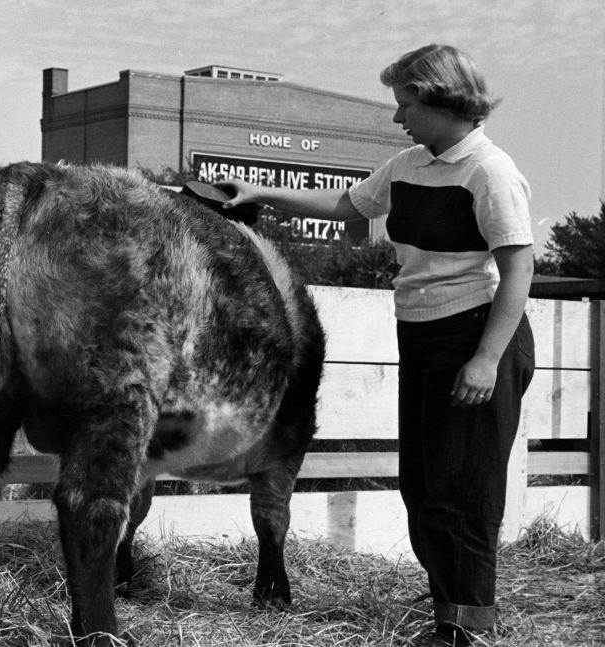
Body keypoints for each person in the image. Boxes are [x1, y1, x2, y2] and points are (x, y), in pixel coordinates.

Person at [219, 44, 535, 646]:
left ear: (442, 101)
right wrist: (258, 192)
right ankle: (452, 607)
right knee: (422, 485)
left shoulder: (489, 172)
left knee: (461, 487)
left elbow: (518, 267)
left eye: (406, 105)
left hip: (477, 334)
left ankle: (466, 627)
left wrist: (487, 360)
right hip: (423, 336)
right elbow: (348, 204)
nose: (399, 119)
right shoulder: (410, 163)